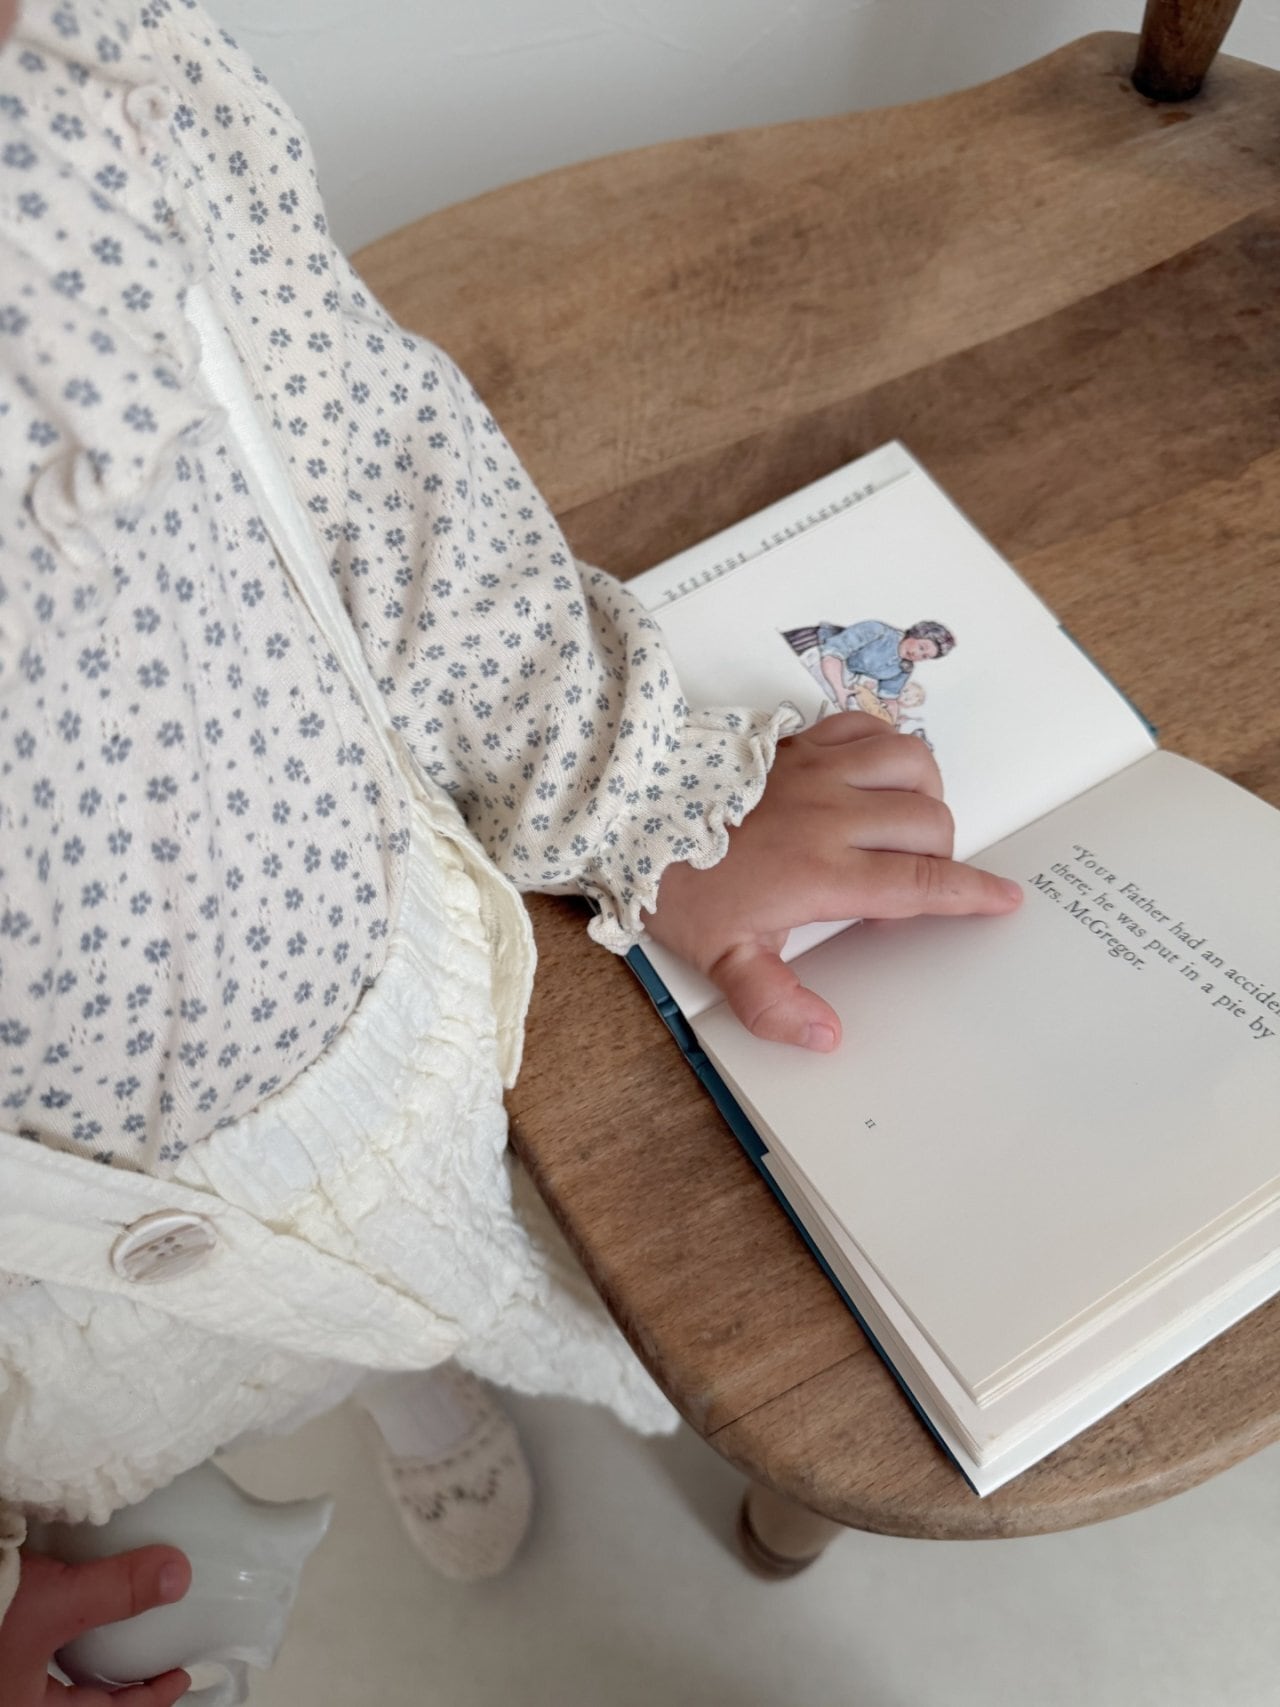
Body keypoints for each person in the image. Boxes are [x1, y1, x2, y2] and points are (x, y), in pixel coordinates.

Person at [0, 1, 1021, 1694]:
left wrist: (650, 803)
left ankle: (415, 1356)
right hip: (44, 1327)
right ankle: (403, 1382)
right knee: (257, 1363)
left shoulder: (67, 85)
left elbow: (351, 445)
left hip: (374, 1033)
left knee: (459, 1270)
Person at [784, 618, 955, 723]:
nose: (918, 655)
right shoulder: (878, 631)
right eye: (921, 647)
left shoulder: (905, 668)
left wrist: (888, 726)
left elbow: (889, 699)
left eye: (925, 656)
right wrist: (839, 690)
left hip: (844, 672)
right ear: (916, 635)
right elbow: (832, 655)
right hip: (817, 649)